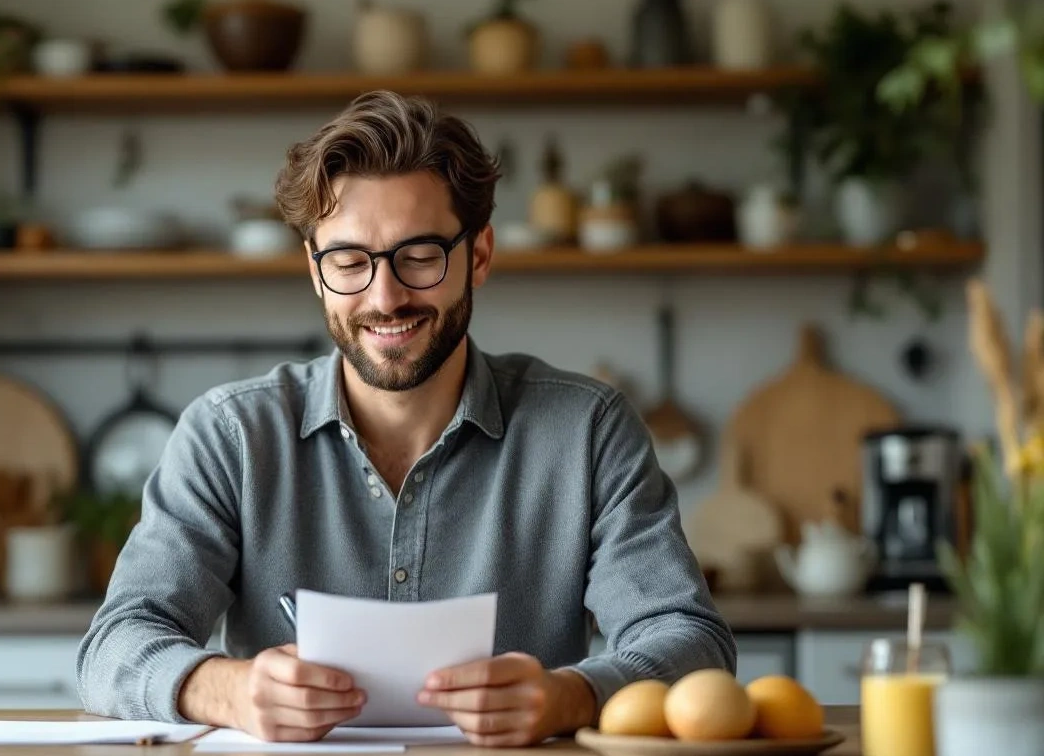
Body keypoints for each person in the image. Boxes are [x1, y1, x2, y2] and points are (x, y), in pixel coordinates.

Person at [76, 90, 736, 747]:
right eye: (349, 261)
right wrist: (229, 691)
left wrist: (572, 696)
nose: (385, 297)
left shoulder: (589, 431)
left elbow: (691, 641)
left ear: (479, 255)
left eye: (419, 256)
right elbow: (115, 645)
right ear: (315, 271)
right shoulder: (230, 437)